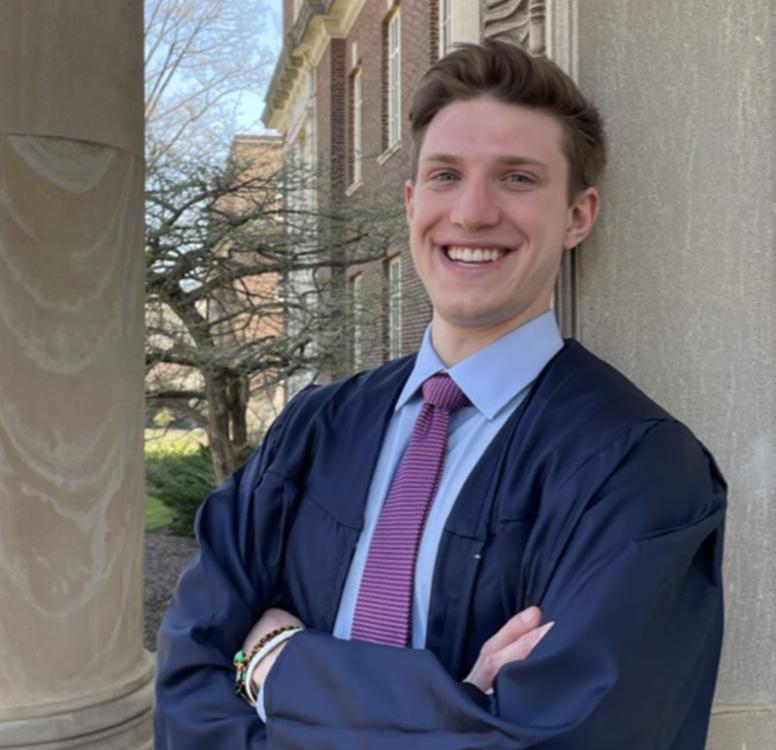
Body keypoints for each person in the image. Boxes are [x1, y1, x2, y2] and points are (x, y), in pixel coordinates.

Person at [154, 40, 726, 749]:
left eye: (517, 178)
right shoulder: (315, 426)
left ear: (578, 215)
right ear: (411, 201)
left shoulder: (639, 471)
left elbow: (572, 739)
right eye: (446, 175)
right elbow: (186, 678)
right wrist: (452, 709)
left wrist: (275, 665)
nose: (473, 212)